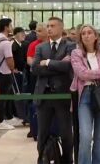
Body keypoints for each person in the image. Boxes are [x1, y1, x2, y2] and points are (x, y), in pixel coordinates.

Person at [32, 17, 75, 164]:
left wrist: (48, 63)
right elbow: (35, 68)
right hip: (44, 95)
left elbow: (68, 67)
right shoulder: (40, 47)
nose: (49, 28)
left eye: (52, 26)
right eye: (48, 26)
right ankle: (42, 159)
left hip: (63, 96)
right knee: (42, 133)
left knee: (66, 133)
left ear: (61, 28)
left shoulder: (70, 46)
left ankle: (67, 160)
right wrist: (58, 66)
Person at [70, 24, 100, 164]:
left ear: (96, 36)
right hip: (85, 96)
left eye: (90, 32)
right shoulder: (76, 53)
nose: (86, 35)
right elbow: (82, 74)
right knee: (86, 136)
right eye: (83, 33)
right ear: (80, 37)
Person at [0, 18, 22, 130]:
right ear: (6, 27)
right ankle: (0, 121)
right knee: (4, 97)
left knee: (8, 95)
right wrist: (13, 69)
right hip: (5, 71)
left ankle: (9, 117)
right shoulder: (6, 43)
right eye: (10, 25)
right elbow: (9, 59)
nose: (12, 27)